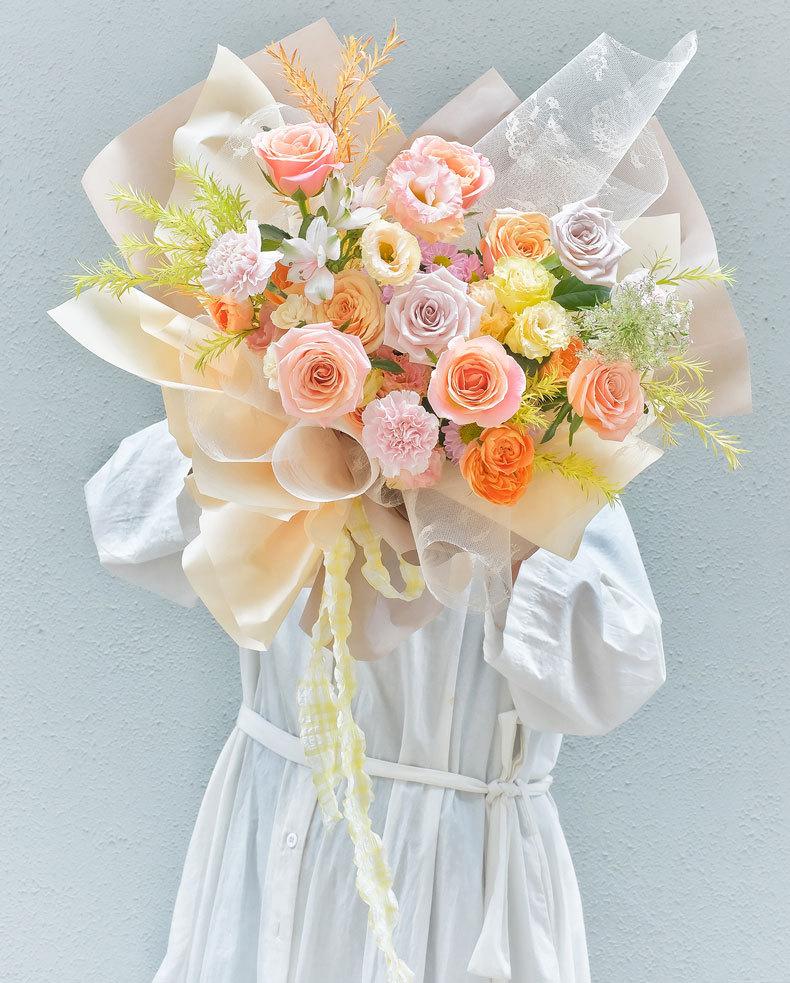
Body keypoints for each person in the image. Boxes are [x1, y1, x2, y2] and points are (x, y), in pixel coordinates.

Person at [86, 419, 665, 983]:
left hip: (452, 866)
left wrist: (497, 521)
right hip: (275, 814)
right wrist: (260, 420)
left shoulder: (553, 438)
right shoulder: (280, 404)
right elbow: (121, 519)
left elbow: (615, 673)